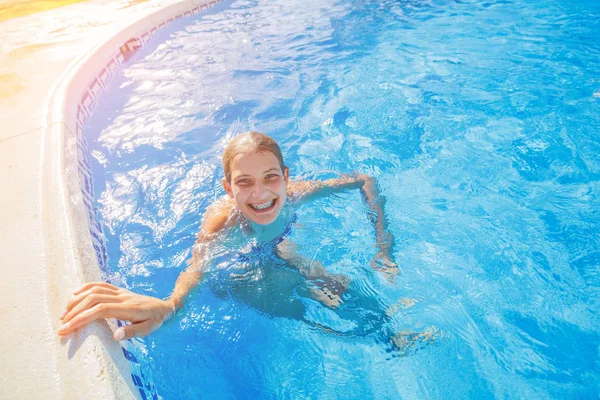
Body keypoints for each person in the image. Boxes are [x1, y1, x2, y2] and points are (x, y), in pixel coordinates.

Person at [58, 131, 398, 342]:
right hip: (243, 259)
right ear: (228, 187)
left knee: (332, 282)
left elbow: (364, 180)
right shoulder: (223, 222)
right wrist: (170, 305)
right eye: (244, 182)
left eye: (270, 177)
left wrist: (383, 249)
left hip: (281, 244)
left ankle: (391, 337)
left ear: (285, 176)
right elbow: (196, 267)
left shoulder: (295, 194)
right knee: (282, 299)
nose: (261, 193)